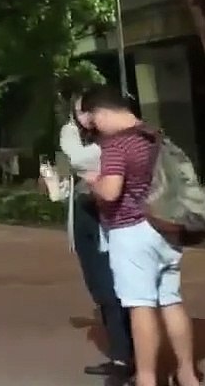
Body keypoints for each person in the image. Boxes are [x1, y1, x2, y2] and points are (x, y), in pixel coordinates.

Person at [80, 86, 200, 386]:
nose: (96, 128)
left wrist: (93, 181)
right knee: (171, 301)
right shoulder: (154, 135)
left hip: (132, 232)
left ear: (102, 113)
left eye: (94, 120)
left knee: (140, 306)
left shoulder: (117, 144)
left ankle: (146, 379)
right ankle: (187, 373)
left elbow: (111, 192)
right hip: (166, 228)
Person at [60, 95, 133, 381]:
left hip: (109, 214)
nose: (84, 116)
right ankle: (122, 354)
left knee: (112, 288)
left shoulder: (113, 135)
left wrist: (104, 151)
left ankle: (123, 358)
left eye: (88, 110)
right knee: (99, 289)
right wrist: (104, 151)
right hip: (85, 213)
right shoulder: (71, 132)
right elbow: (76, 159)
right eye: (78, 111)